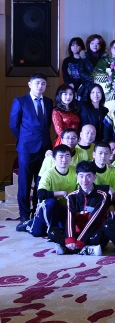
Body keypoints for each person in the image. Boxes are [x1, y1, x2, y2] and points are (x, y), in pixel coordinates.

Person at [49, 161, 115, 256]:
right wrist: (70, 238)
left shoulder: (103, 195)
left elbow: (94, 220)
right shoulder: (72, 196)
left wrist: (80, 241)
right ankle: (87, 250)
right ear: (77, 177)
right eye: (81, 176)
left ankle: (70, 249)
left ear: (94, 177)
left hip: (93, 233)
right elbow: (70, 218)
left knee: (102, 233)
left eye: (88, 176)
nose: (84, 180)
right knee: (53, 232)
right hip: (77, 233)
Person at [10, 73, 54, 230]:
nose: (40, 86)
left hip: (44, 148)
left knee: (41, 181)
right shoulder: (20, 101)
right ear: (30, 84)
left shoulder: (48, 102)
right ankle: (24, 216)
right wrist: (24, 139)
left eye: (43, 83)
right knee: (25, 183)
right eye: (37, 83)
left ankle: (37, 213)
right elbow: (14, 125)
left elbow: (47, 125)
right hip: (26, 149)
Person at [30, 145, 77, 237]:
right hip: (48, 208)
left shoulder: (75, 171)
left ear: (71, 158)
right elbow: (41, 194)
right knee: (38, 233)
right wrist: (61, 193)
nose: (64, 159)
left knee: (66, 231)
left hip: (66, 207)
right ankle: (28, 224)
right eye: (61, 156)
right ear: (54, 159)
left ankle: (54, 228)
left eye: (67, 156)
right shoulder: (48, 174)